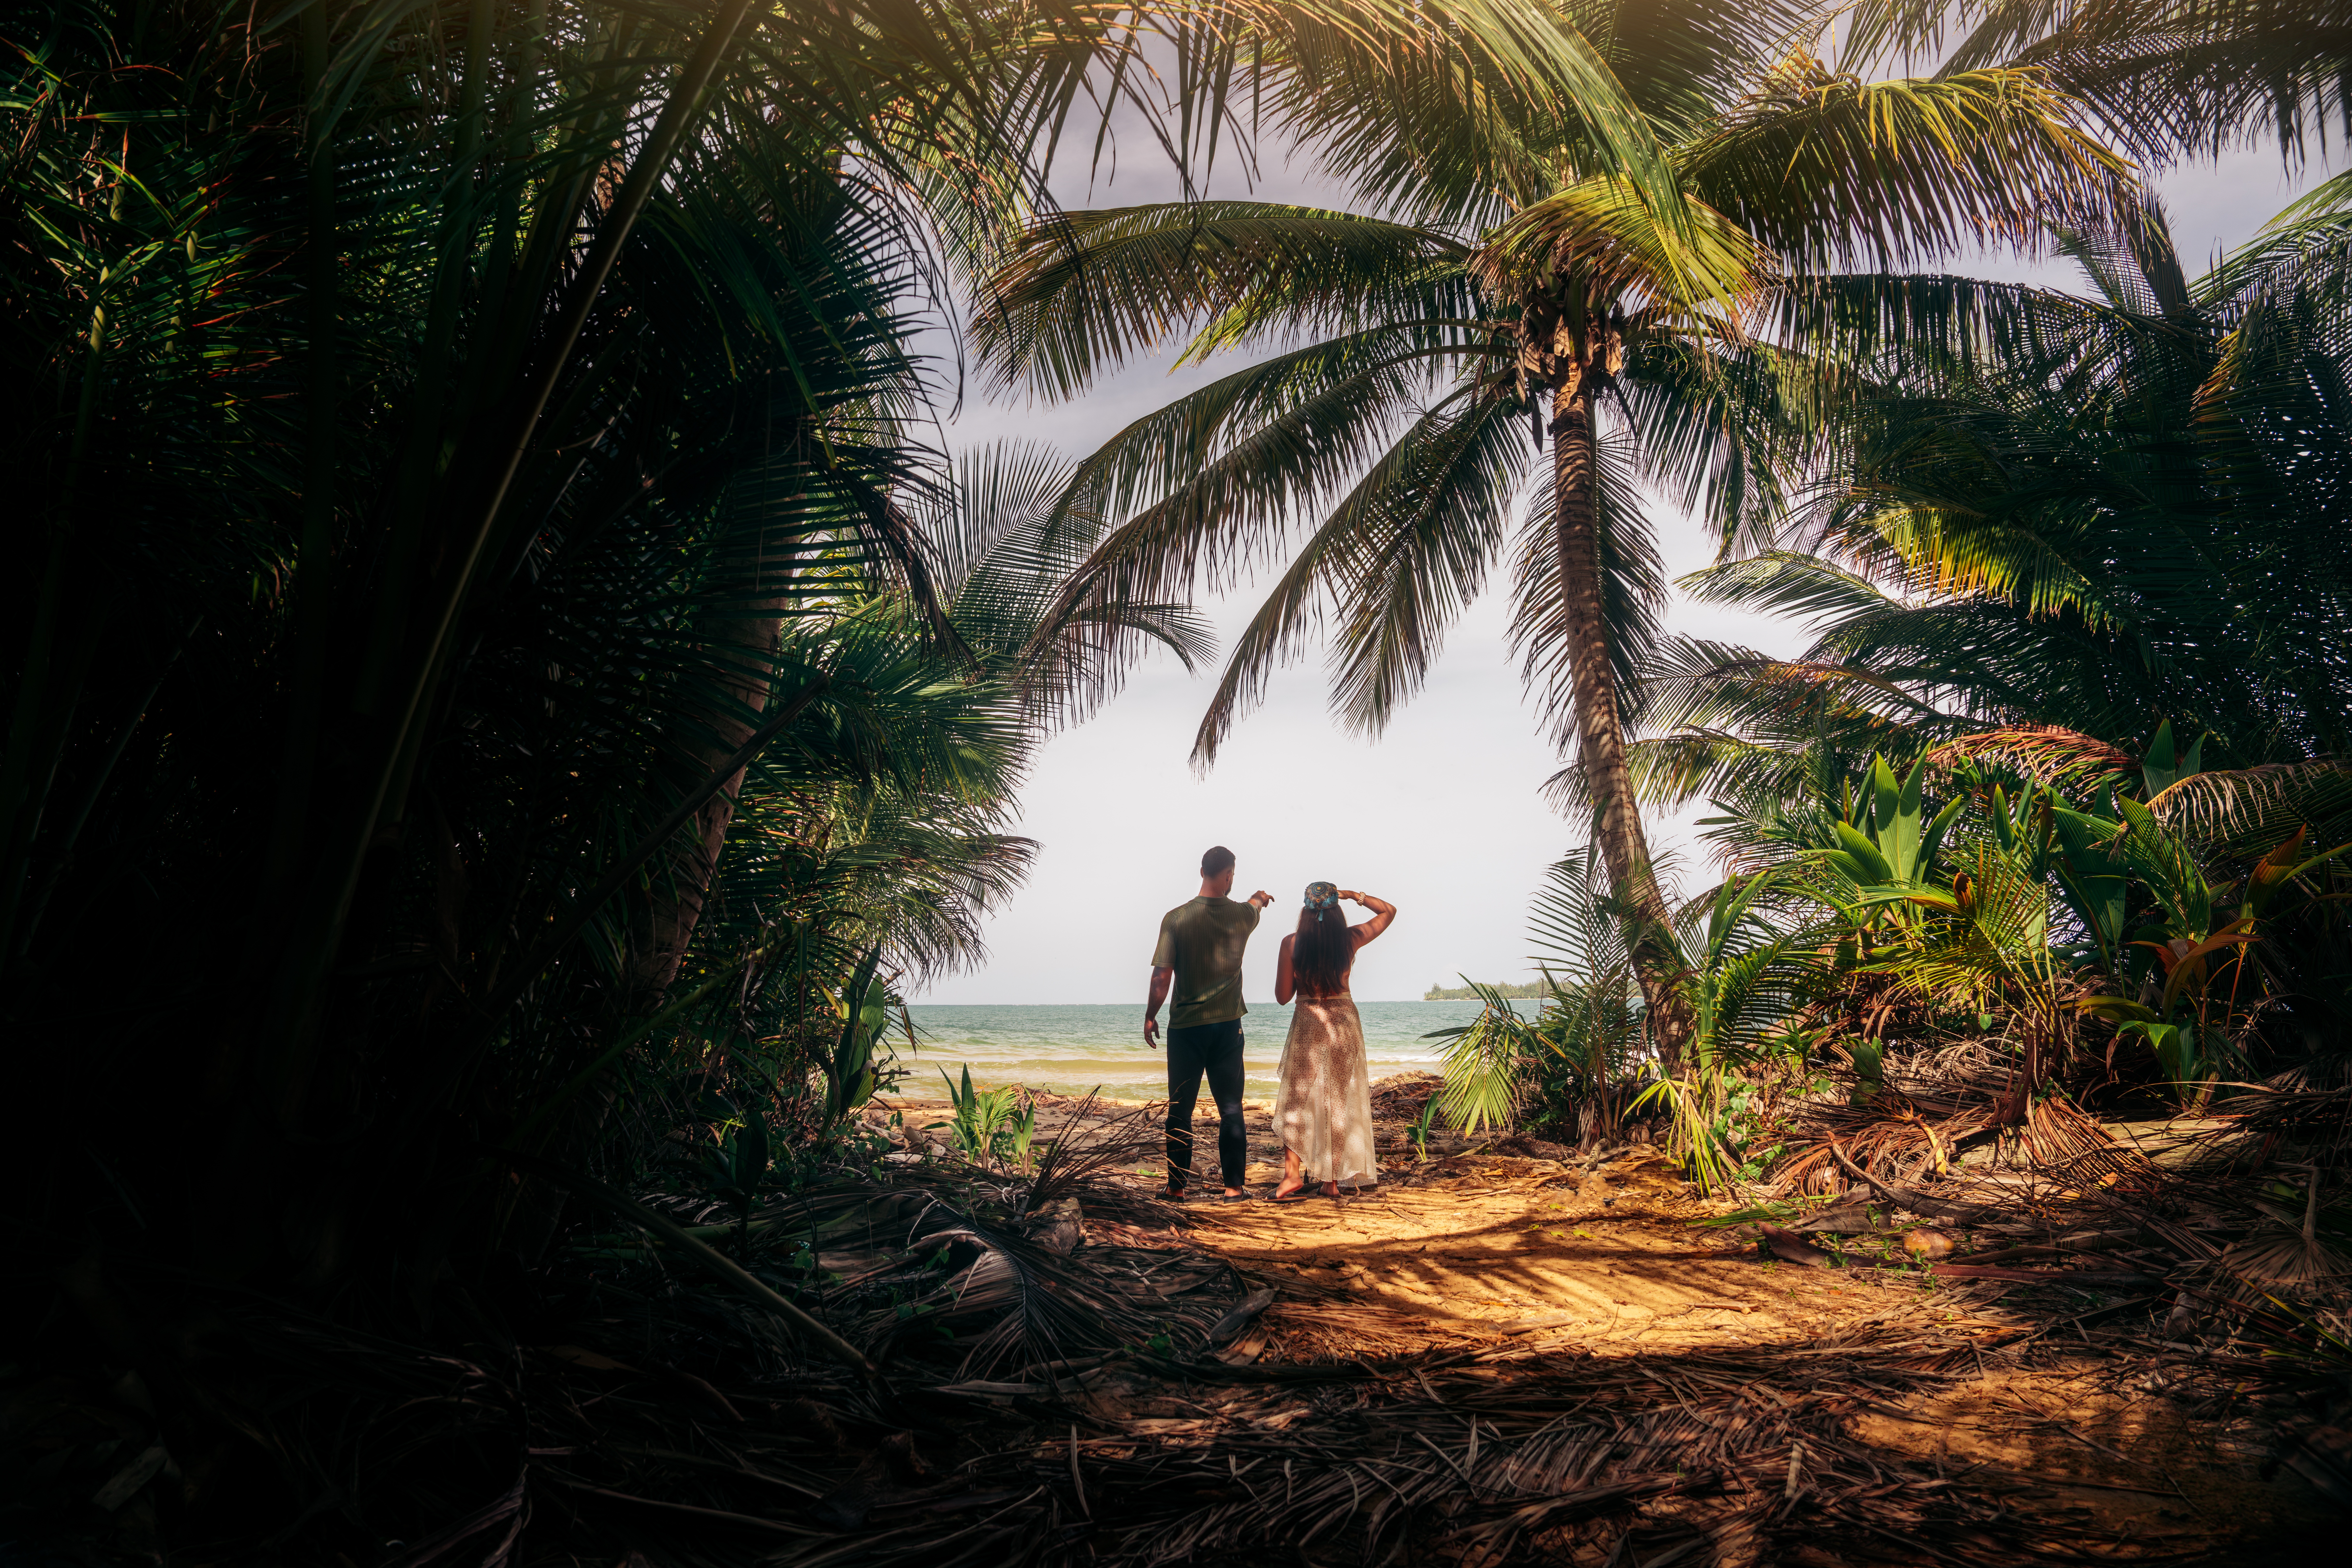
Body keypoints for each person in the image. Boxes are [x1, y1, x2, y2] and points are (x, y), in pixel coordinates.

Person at [1144, 846, 1274, 1201]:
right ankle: (1233, 1188)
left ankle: (1176, 1188)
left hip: (1186, 1029)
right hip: (1228, 1028)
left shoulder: (1176, 919)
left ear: (1202, 871)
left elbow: (1161, 977)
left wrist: (1151, 1015)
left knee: (1180, 1109)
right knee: (1230, 1108)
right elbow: (1255, 905)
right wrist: (1261, 897)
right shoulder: (1242, 916)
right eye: (1232, 875)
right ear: (1229, 875)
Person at [1271, 883, 1396, 1202]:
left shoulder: (1292, 943)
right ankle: (1331, 1181)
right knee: (1338, 1100)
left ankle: (1292, 1176)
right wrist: (1355, 896)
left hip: (1309, 1018)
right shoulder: (1351, 938)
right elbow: (1389, 911)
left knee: (1297, 1100)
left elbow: (1283, 997)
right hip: (1343, 1020)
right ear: (1336, 910)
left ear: (1306, 911)